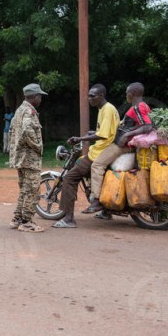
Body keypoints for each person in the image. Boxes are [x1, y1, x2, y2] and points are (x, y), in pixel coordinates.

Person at [52, 84, 119, 228]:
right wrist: (90, 133)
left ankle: (69, 219)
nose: (89, 98)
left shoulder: (107, 110)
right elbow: (105, 131)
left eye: (92, 96)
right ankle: (106, 211)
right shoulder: (104, 109)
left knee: (70, 178)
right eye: (88, 95)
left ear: (101, 96)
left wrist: (80, 139)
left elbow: (104, 135)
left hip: (100, 152)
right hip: (103, 149)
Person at [83, 82, 153, 213]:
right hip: (122, 142)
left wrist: (127, 135)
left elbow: (147, 126)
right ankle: (106, 209)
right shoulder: (141, 106)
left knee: (97, 165)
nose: (126, 95)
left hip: (122, 145)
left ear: (133, 93)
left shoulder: (138, 107)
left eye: (127, 93)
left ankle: (96, 201)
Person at [8, 83, 47, 233]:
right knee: (32, 190)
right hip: (29, 158)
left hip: (21, 157)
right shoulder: (29, 111)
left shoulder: (19, 110)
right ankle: (26, 222)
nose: (41, 99)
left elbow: (13, 130)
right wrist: (37, 145)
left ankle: (17, 219)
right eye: (39, 96)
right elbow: (26, 130)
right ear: (33, 97)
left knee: (24, 190)